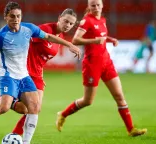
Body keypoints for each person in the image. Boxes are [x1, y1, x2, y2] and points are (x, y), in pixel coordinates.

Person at [0, 2, 80, 144]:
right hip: (13, 73)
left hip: (29, 74)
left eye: (71, 24)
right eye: (66, 21)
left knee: (31, 108)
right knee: (5, 107)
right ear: (6, 17)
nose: (68, 25)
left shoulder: (31, 29)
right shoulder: (3, 35)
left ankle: (22, 138)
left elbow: (49, 38)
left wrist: (69, 44)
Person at [55, 0, 147, 137]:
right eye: (93, 5)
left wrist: (111, 39)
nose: (96, 7)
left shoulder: (102, 19)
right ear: (89, 7)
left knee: (119, 96)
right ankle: (63, 114)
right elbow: (75, 40)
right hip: (92, 64)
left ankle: (131, 129)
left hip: (106, 62)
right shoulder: (86, 21)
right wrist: (94, 41)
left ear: (102, 5)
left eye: (98, 5)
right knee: (88, 101)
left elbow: (100, 35)